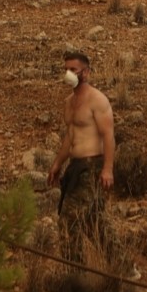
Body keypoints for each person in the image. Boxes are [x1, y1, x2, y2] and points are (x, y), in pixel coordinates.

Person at [47, 50, 114, 254]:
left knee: (69, 219)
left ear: (86, 72)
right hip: (75, 167)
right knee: (95, 222)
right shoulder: (69, 103)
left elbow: (108, 136)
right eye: (66, 69)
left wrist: (107, 169)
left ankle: (74, 271)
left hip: (92, 167)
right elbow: (70, 136)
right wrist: (58, 163)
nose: (69, 73)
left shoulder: (97, 100)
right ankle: (123, 268)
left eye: (73, 69)